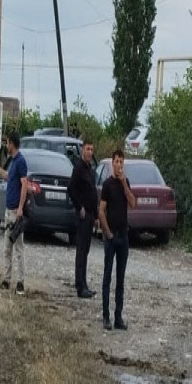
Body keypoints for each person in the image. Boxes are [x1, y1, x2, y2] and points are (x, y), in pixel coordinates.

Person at [98, 149, 136, 331]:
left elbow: (133, 203)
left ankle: (118, 316)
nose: (119, 165)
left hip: (124, 235)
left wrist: (124, 184)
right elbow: (100, 210)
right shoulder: (106, 184)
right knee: (107, 276)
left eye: (122, 162)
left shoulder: (125, 182)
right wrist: (107, 232)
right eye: (117, 161)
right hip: (111, 236)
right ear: (112, 163)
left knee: (120, 279)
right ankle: (105, 316)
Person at [0, 131, 28, 296]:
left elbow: (24, 184)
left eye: (7, 143)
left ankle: (21, 282)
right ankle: (6, 279)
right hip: (9, 209)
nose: (6, 146)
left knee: (18, 248)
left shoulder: (21, 161)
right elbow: (8, 177)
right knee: (6, 247)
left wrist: (21, 208)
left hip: (16, 210)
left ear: (12, 144)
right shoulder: (14, 162)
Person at [66, 141, 97, 299]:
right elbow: (71, 188)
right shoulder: (78, 168)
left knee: (86, 249)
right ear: (82, 151)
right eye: (87, 149)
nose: (90, 152)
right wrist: (80, 207)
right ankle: (80, 286)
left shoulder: (89, 169)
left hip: (91, 214)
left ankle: (84, 284)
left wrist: (96, 215)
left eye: (92, 149)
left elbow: (93, 192)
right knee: (81, 250)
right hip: (83, 215)